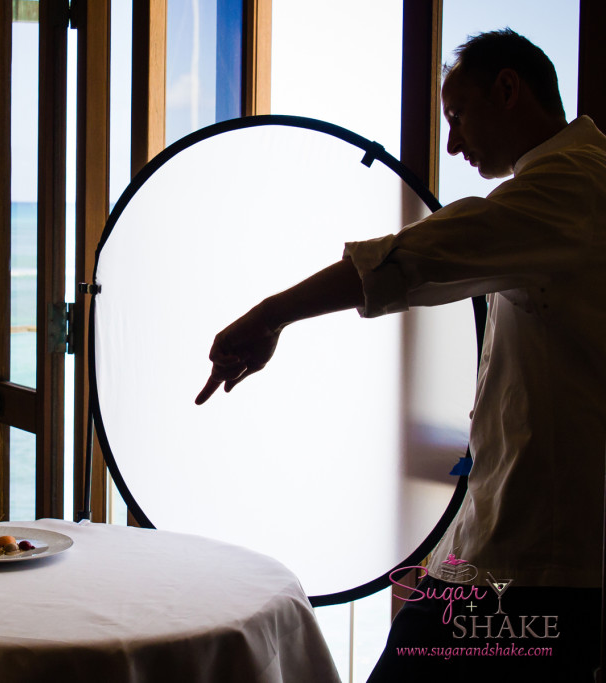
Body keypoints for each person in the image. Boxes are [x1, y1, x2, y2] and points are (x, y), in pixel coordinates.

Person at [195, 29, 605, 682]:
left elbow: (412, 258)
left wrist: (270, 313)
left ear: (507, 89)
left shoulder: (568, 191)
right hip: (524, 553)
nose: (451, 143)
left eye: (458, 114)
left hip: (535, 567)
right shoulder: (574, 186)